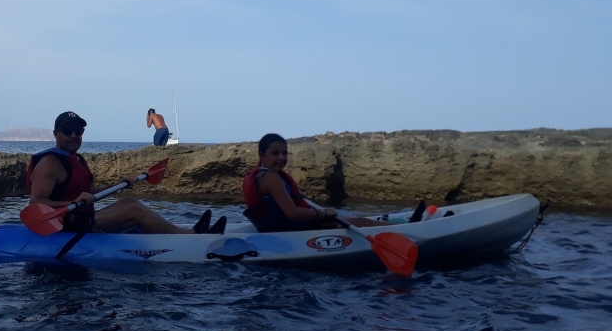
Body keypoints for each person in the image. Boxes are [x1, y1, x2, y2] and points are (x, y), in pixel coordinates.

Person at [27, 111, 225, 234]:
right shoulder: (49, 163)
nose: (73, 136)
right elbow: (36, 202)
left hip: (81, 217)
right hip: (65, 225)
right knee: (133, 212)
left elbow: (86, 192)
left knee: (130, 203)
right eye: (68, 130)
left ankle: (179, 232)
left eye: (78, 131)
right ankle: (189, 237)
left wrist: (116, 186)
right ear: (55, 134)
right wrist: (71, 204)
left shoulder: (75, 159)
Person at [241, 133, 389, 233]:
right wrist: (323, 213)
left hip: (278, 228)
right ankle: (406, 228)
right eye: (275, 153)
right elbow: (293, 213)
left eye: (285, 153)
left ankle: (405, 225)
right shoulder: (271, 178)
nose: (281, 158)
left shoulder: (263, 176)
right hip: (292, 230)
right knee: (360, 222)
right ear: (262, 155)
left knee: (355, 220)